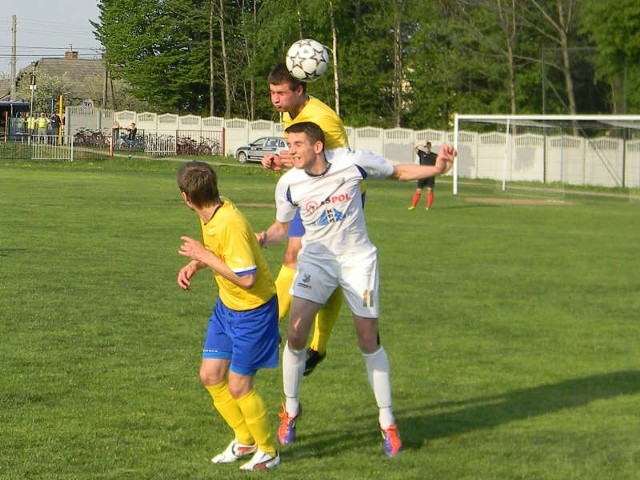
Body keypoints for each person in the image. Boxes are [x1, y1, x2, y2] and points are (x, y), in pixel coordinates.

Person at [257, 122, 456, 457]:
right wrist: (263, 238)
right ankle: (290, 410)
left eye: (297, 144)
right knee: (294, 335)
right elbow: (280, 226)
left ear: (317, 147)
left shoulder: (352, 163)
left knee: (367, 339)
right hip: (316, 261)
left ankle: (387, 421)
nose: (290, 150)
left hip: (357, 262)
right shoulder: (288, 184)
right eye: (288, 144)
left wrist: (436, 167)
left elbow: (396, 171)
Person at [176, 161, 281, 471]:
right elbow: (218, 252)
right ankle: (244, 439)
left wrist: (203, 256)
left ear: (186, 197)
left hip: (254, 311)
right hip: (227, 308)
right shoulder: (212, 212)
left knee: (238, 386)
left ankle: (269, 451)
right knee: (210, 376)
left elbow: (247, 278)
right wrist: (196, 265)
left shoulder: (229, 222)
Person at [262, 62, 350, 375]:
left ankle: (317, 344)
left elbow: (321, 158)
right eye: (272, 93)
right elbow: (302, 158)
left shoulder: (321, 117)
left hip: (341, 196)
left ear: (301, 89)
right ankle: (269, 331)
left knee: (326, 267)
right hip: (311, 191)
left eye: (281, 93)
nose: (275, 100)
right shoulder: (290, 112)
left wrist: (285, 159)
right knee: (292, 255)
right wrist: (281, 159)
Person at [408, 141, 438, 211]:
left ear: (430, 147)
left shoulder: (434, 155)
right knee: (418, 190)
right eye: (425, 147)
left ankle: (428, 206)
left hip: (430, 175)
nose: (426, 148)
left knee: (429, 190)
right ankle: (413, 205)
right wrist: (421, 143)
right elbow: (414, 147)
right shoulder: (421, 153)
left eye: (427, 147)